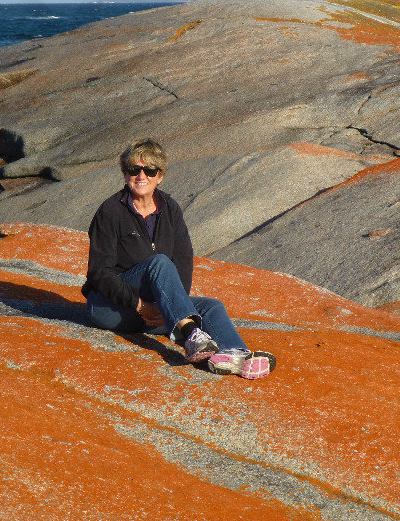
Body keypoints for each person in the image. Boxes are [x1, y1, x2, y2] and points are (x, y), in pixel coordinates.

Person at [81, 138, 276, 379]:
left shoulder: (170, 208)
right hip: (110, 308)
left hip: (153, 313)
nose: (141, 176)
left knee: (211, 306)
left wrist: (169, 307)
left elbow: (183, 261)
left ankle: (235, 355)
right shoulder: (110, 211)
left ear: (160, 176)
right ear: (125, 173)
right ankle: (191, 333)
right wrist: (143, 306)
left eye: (149, 170)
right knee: (160, 262)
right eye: (134, 169)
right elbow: (99, 273)